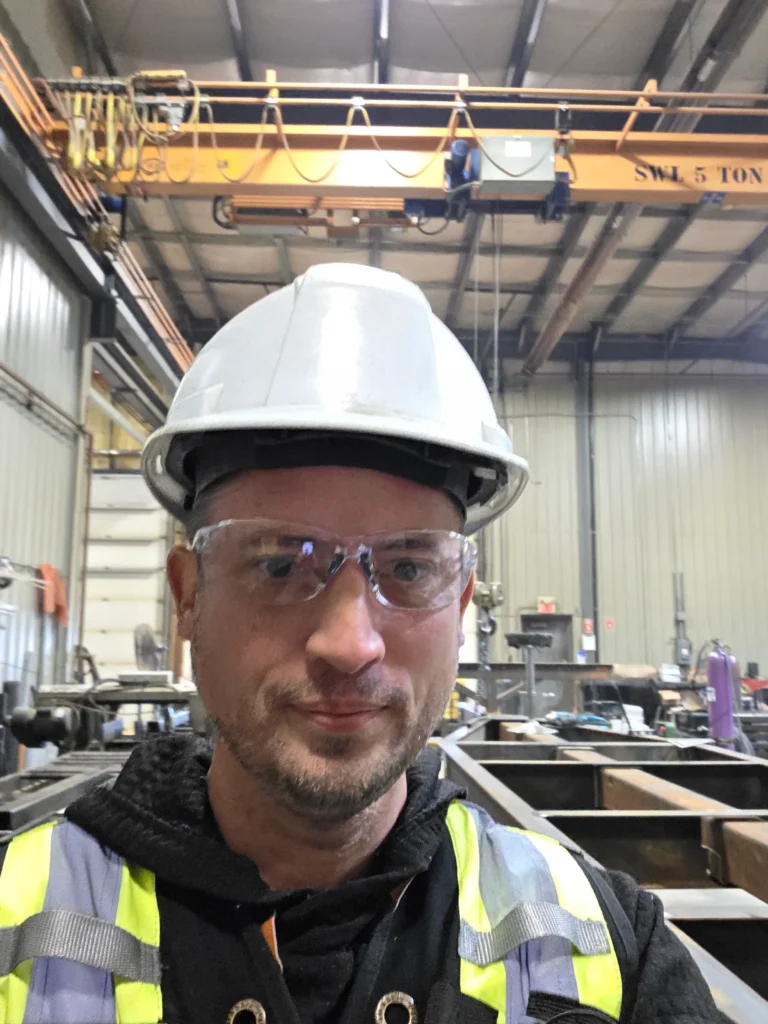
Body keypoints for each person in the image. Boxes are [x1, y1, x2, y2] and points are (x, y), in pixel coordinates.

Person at [0, 264, 722, 1024]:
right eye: (280, 563)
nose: (350, 644)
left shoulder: (606, 950)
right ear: (189, 594)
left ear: (462, 602)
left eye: (409, 568)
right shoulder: (20, 917)